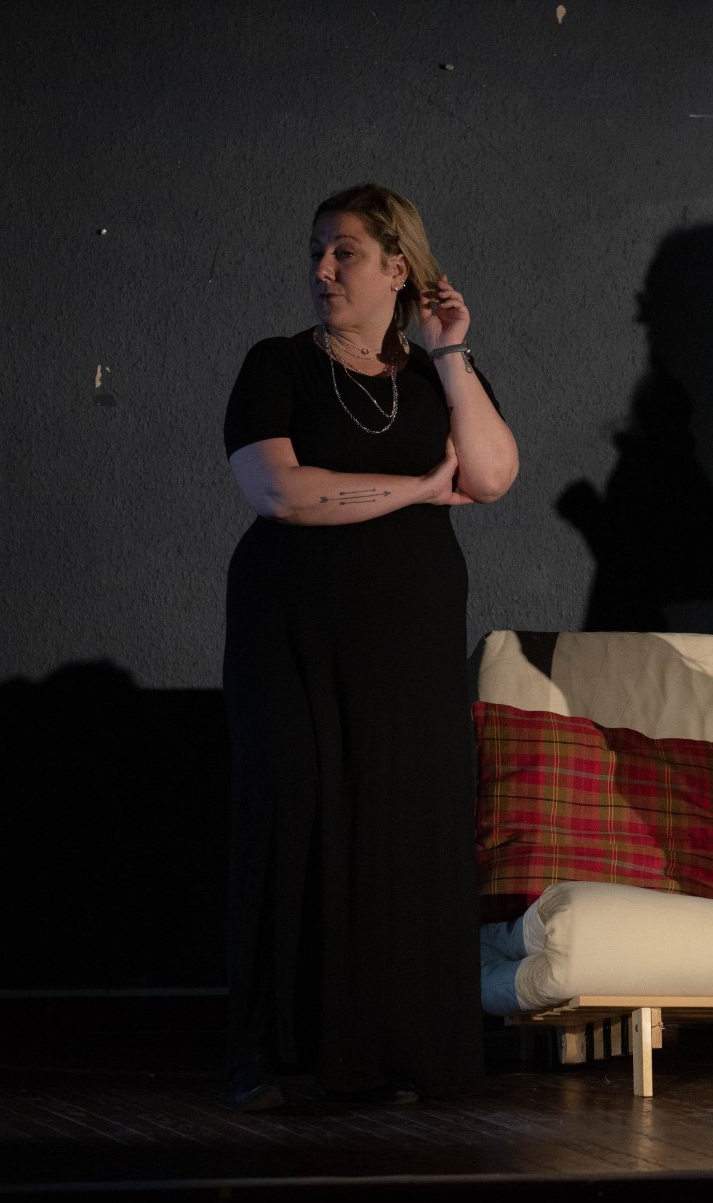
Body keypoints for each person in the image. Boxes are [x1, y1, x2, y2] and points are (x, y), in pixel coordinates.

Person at [221, 183, 518, 1110]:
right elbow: (281, 493)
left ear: (399, 267)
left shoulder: (439, 377)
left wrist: (454, 351)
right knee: (298, 812)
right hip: (294, 630)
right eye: (316, 250)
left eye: (343, 252)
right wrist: (418, 491)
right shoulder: (276, 365)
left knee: (402, 824)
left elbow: (496, 475)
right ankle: (282, 1057)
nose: (320, 270)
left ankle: (397, 1055)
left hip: (410, 635)